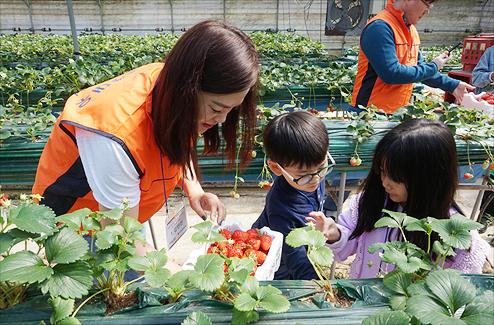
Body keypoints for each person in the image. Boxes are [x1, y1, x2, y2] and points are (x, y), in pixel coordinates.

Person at [32, 20, 259, 274]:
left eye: (232, 109)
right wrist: (184, 276)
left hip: (123, 210)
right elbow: (120, 239)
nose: (223, 120)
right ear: (186, 89)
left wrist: (194, 190)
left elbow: (178, 141)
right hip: (81, 227)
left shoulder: (168, 84)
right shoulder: (115, 136)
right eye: (217, 109)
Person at [307, 118, 489, 278]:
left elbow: (460, 291)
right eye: (383, 172)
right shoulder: (373, 202)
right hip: (365, 304)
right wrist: (335, 234)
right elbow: (351, 238)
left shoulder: (459, 238)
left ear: (429, 179)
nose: (385, 183)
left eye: (397, 178)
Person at [251, 110, 336, 280]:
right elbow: (296, 260)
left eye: (322, 166)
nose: (316, 178)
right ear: (276, 168)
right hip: (277, 263)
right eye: (303, 174)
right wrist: (317, 286)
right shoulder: (281, 209)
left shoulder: (310, 180)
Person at [350, 0, 475, 114]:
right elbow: (391, 74)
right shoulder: (380, 27)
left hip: (398, 111)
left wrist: (453, 85)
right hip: (370, 113)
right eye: (427, 5)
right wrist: (434, 66)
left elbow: (419, 70)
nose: (427, 11)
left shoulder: (411, 31)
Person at [472, 44, 494, 233]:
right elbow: (475, 79)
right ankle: (486, 213)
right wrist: (491, 76)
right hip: (490, 115)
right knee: (492, 167)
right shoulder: (491, 52)